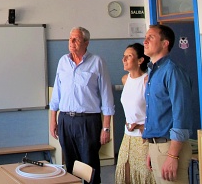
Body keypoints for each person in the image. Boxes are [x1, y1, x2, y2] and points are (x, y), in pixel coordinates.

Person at [49, 27, 114, 184]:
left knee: (89, 165)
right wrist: (53, 120)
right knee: (71, 165)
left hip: (88, 121)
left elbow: (107, 97)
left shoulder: (97, 62)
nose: (71, 42)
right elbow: (56, 94)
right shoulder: (63, 61)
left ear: (86, 43)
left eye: (76, 39)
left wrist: (106, 128)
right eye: (70, 39)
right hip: (65, 120)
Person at [143, 24, 192, 184]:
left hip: (171, 147)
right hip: (157, 146)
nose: (145, 41)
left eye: (151, 37)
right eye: (145, 37)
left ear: (165, 43)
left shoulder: (172, 71)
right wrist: (152, 147)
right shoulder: (153, 71)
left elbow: (181, 114)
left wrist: (172, 155)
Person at [115, 43, 155, 184]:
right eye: (123, 56)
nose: (124, 59)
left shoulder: (147, 81)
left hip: (143, 138)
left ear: (140, 60)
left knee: (144, 176)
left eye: (129, 56)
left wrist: (145, 127)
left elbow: (154, 111)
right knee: (124, 174)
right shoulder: (125, 80)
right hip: (127, 137)